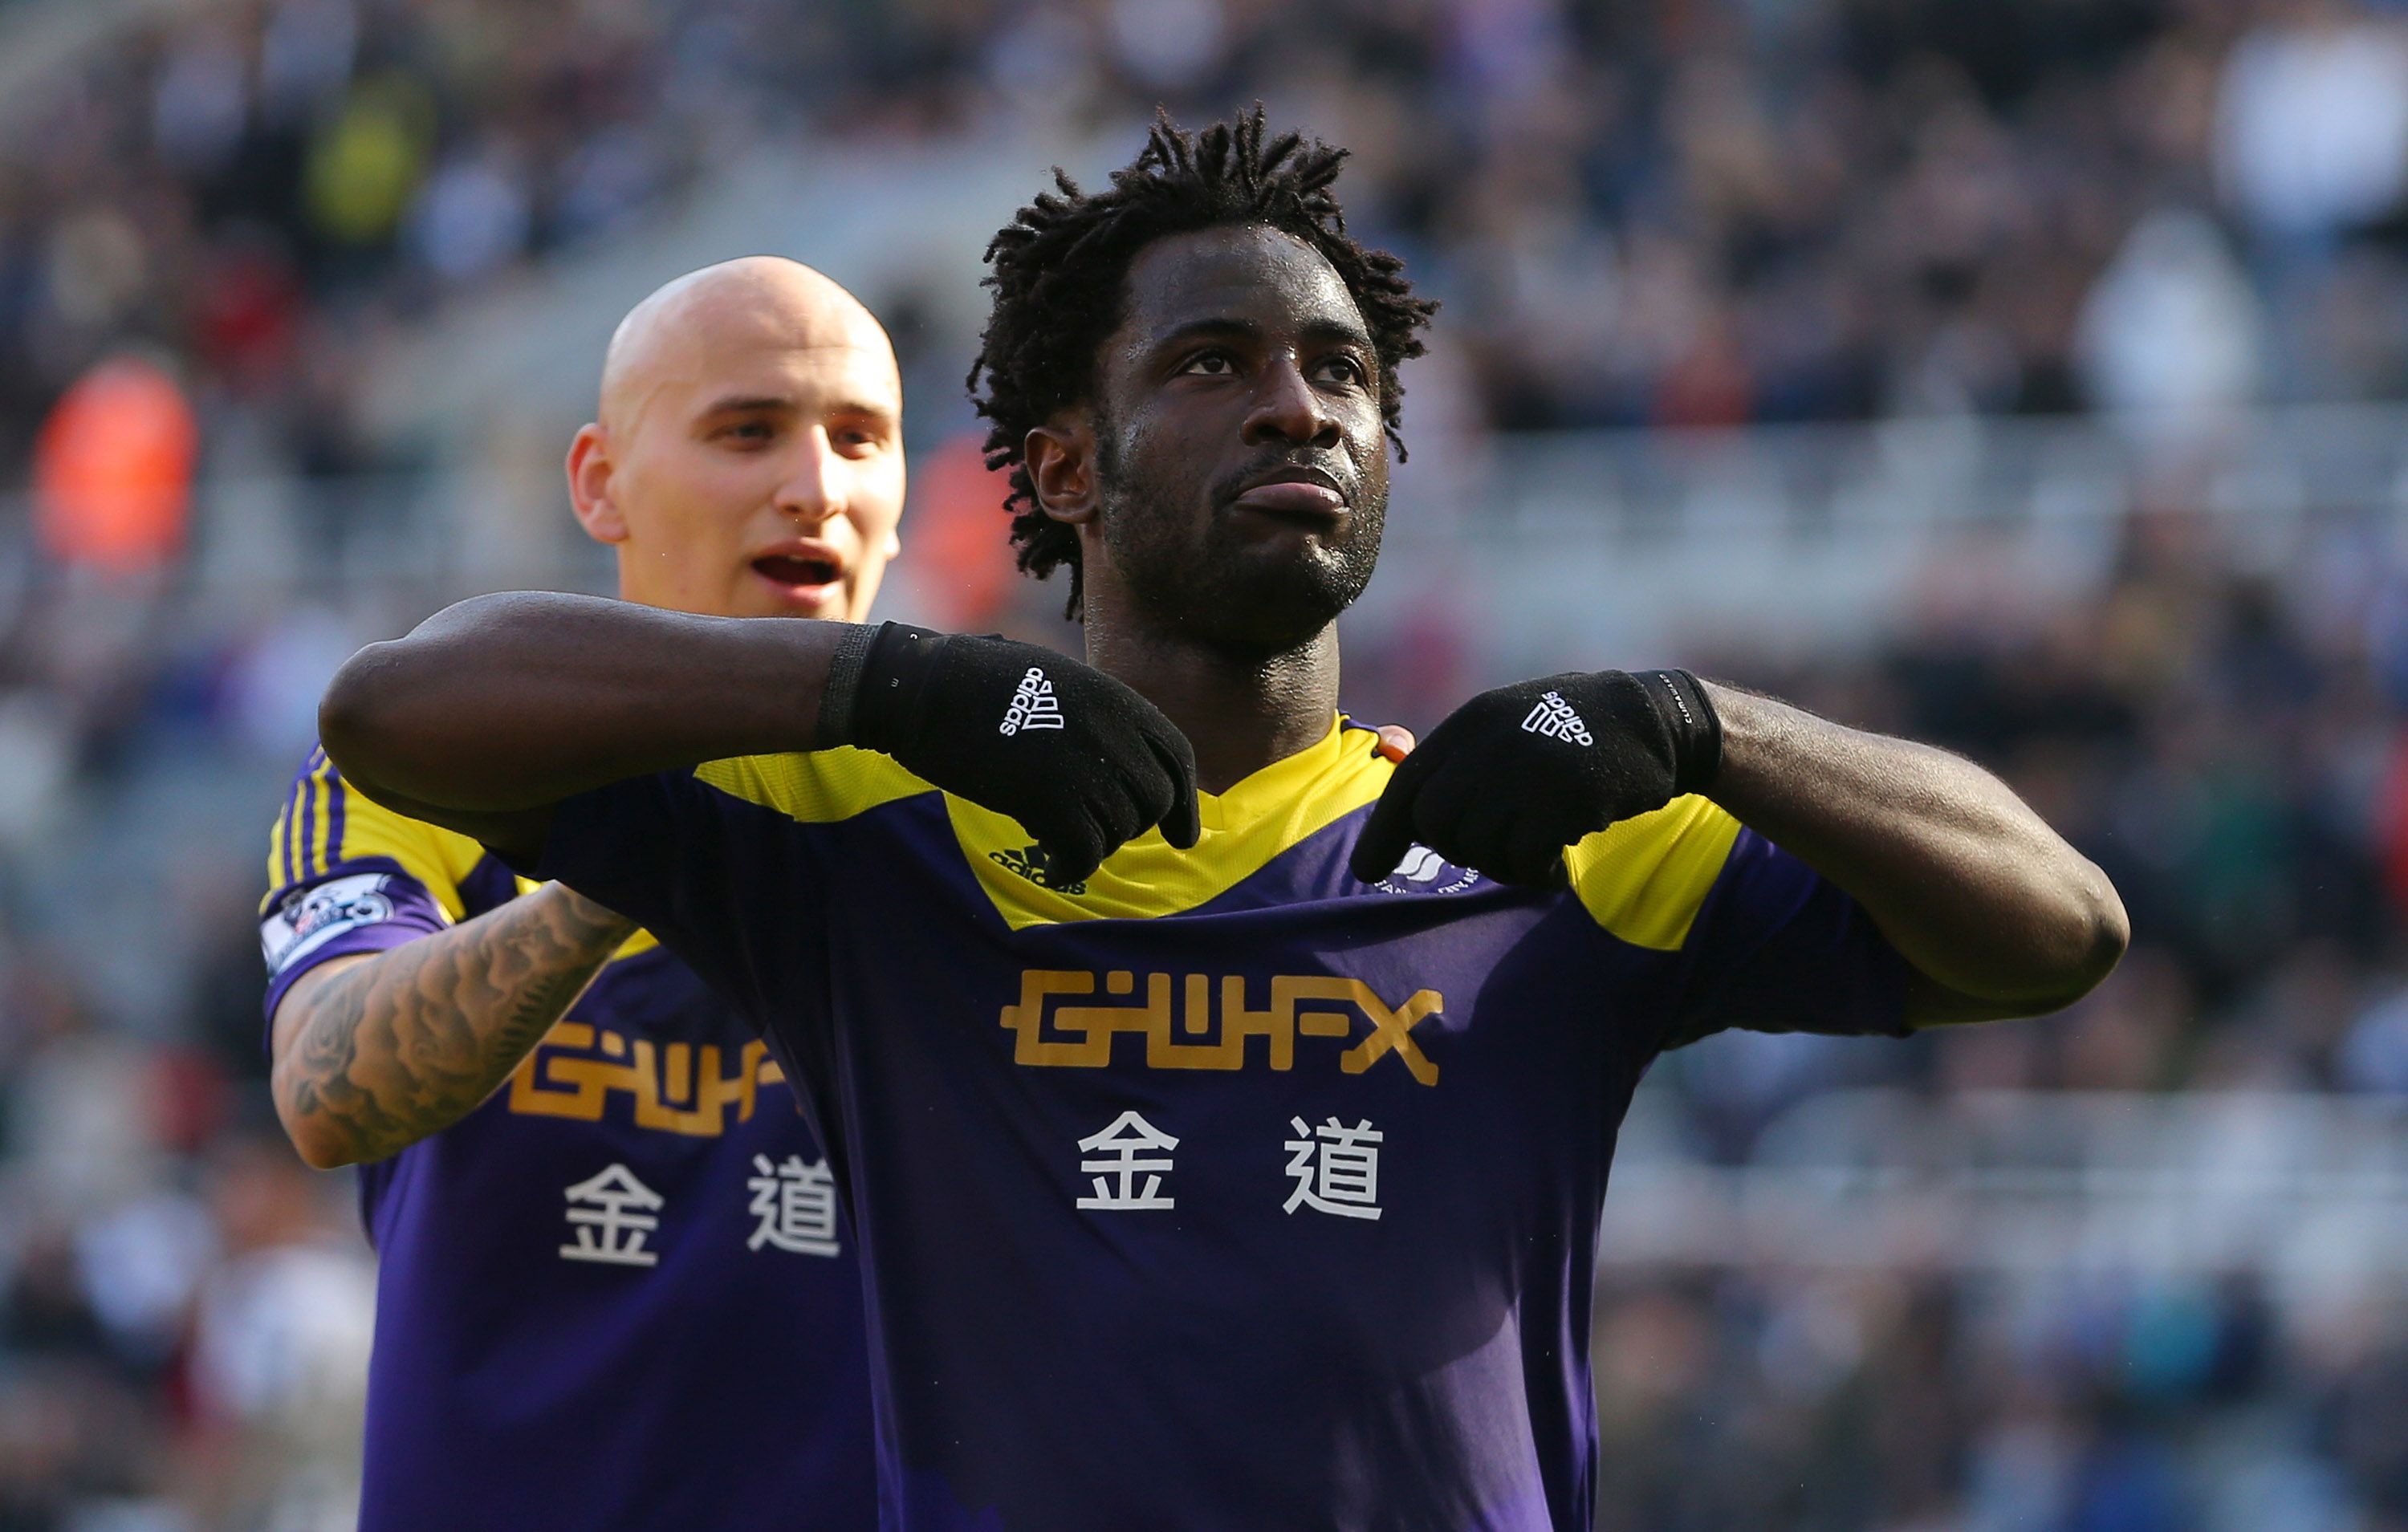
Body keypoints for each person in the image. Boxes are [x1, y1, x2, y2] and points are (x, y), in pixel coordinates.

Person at [311, 114, 2129, 1531]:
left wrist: (1703, 726)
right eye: (1211, 364)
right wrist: (892, 685)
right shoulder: (876, 829)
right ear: (1060, 467)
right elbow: (396, 713)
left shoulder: (1553, 844)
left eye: (1343, 373)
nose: (1295, 408)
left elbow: (2059, 931)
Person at [258, 258, 893, 1530]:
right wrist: (636, 858)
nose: (815, 487)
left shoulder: (974, 820)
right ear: (600, 482)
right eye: (748, 431)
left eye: (859, 439)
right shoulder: (427, 771)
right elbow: (329, 1088)